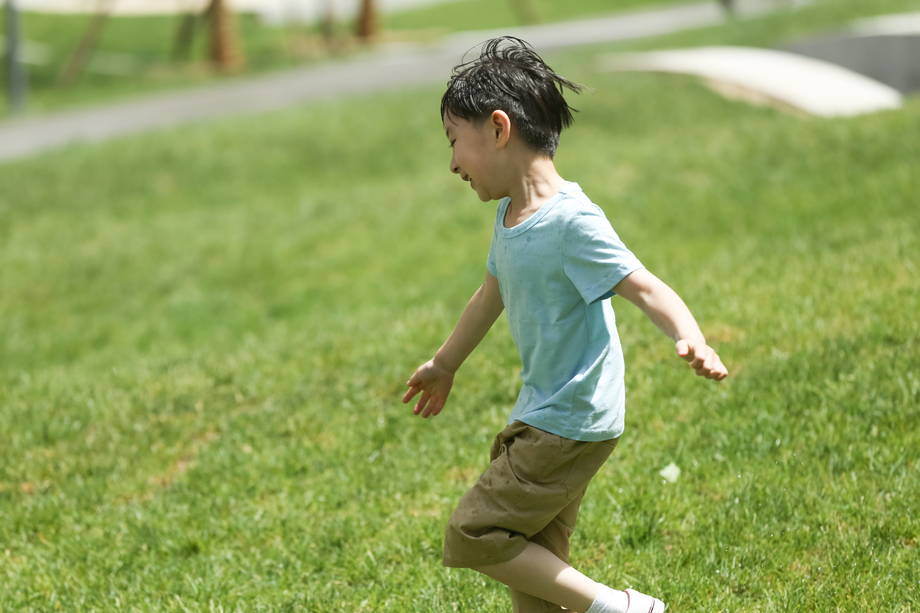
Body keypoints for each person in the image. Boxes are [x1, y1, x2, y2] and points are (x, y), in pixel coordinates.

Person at [402, 37, 728, 613]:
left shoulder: (572, 220)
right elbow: (489, 296)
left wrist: (690, 335)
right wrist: (444, 363)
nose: (451, 162)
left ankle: (620, 607)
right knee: (530, 563)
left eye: (455, 141)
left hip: (570, 417)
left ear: (499, 129)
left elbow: (643, 284)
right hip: (547, 412)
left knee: (474, 534)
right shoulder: (510, 216)